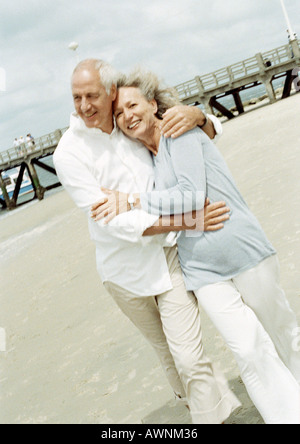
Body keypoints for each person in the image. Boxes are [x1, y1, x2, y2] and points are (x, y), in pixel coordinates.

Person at [92, 68, 300, 424]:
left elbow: (191, 195)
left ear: (153, 104)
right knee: (249, 350)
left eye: (132, 105)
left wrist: (131, 200)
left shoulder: (180, 132)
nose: (127, 116)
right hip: (202, 272)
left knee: (282, 331)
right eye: (120, 113)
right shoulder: (146, 162)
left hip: (244, 250)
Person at [53, 59, 241, 424]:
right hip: (123, 273)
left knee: (187, 355)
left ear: (110, 93)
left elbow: (202, 129)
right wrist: (190, 219)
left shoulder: (129, 122)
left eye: (92, 95)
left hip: (169, 255)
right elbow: (114, 223)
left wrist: (199, 116)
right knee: (169, 357)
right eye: (76, 97)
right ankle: (204, 407)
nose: (84, 106)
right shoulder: (69, 153)